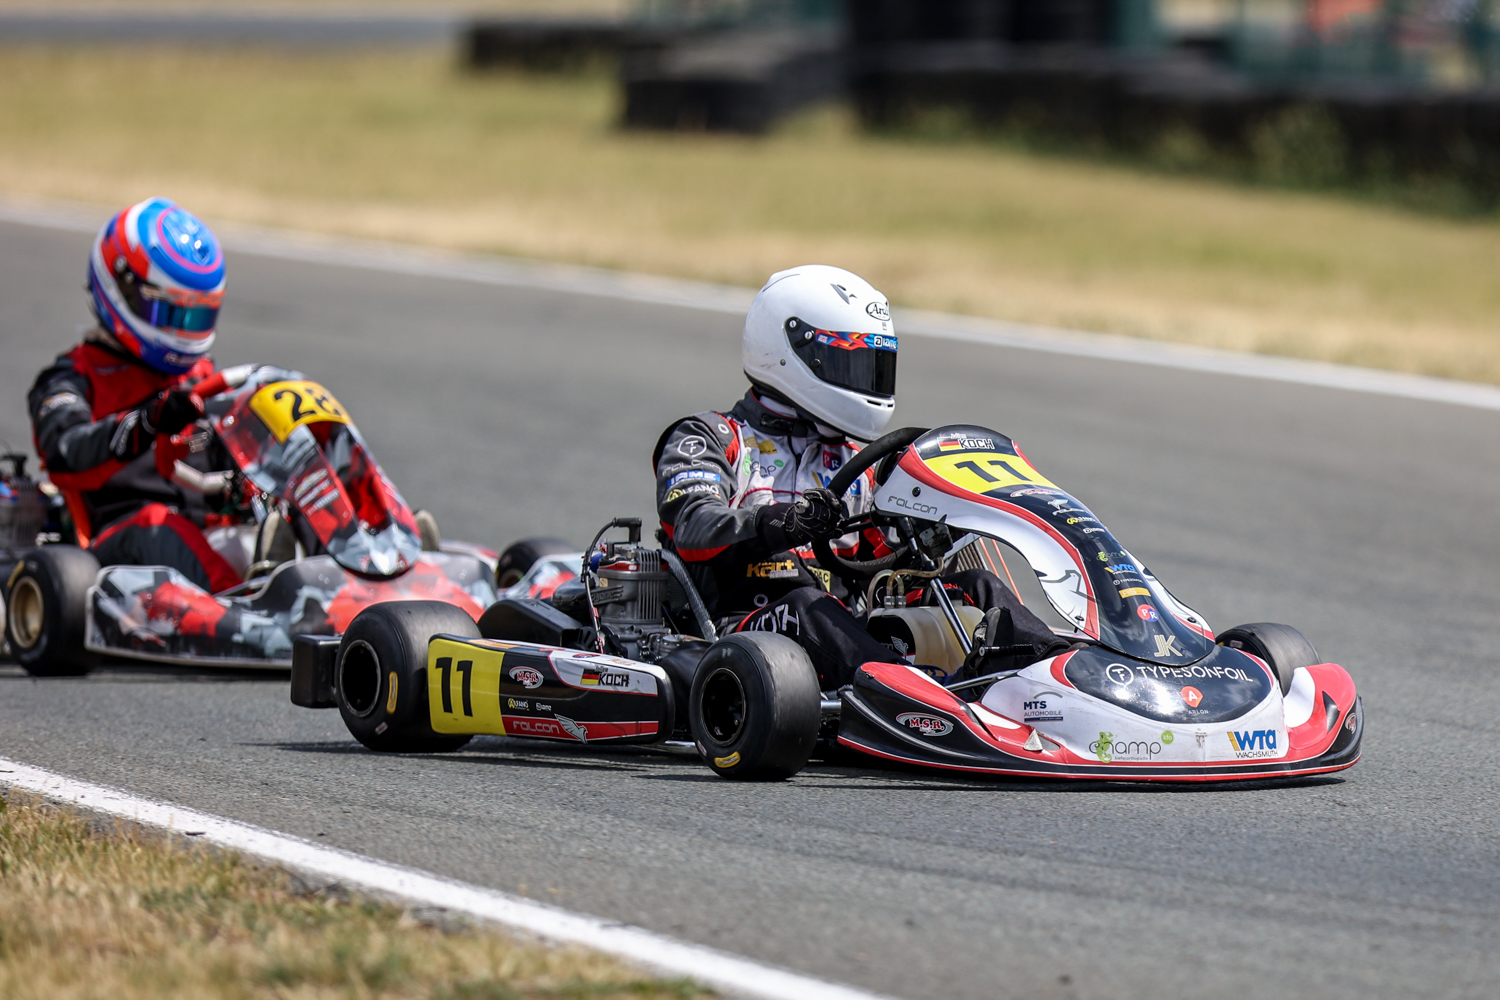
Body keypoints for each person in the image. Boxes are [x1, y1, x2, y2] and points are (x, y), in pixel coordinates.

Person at [653, 264, 1067, 692]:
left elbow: (885, 566)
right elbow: (693, 528)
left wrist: (925, 532)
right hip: (739, 626)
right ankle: (905, 697)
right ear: (788, 350)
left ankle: (1063, 680)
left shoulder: (858, 463)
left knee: (975, 586)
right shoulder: (711, 438)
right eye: (847, 361)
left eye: (872, 364)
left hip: (847, 629)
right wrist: (787, 522)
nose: (865, 378)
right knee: (807, 605)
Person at [28, 196, 241, 594]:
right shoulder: (72, 378)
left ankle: (368, 590)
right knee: (161, 525)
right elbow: (66, 453)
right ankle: (249, 621)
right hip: (118, 546)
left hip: (208, 533)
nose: (183, 332)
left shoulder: (201, 377)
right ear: (123, 288)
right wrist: (147, 420)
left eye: (196, 316)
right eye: (173, 315)